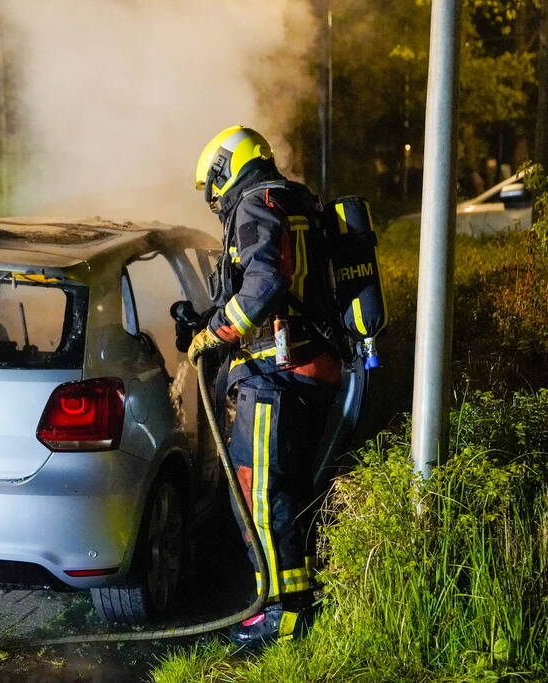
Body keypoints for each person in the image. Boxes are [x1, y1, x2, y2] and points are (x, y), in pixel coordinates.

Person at [184, 125, 342, 649]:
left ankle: (282, 615)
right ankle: (292, 601)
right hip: (308, 366)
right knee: (286, 494)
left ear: (229, 167)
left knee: (259, 496)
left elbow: (266, 286)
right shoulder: (294, 200)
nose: (212, 197)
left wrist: (215, 332)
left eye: (212, 183)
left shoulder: (255, 204)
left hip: (276, 375)